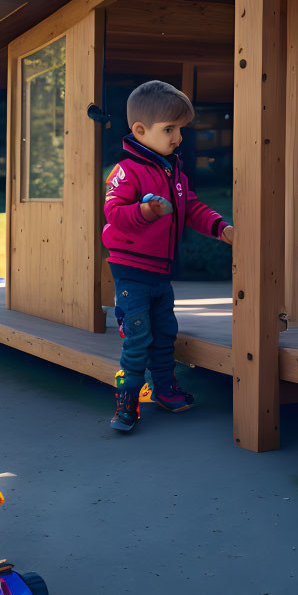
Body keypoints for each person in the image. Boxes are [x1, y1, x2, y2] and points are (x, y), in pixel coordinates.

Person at [103, 80, 234, 432]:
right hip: (131, 271)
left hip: (160, 273)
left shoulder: (173, 171)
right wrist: (145, 213)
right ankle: (127, 401)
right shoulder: (126, 171)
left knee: (165, 334)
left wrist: (221, 228)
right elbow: (114, 213)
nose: (178, 137)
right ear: (140, 130)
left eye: (180, 129)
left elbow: (191, 207)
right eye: (169, 129)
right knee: (137, 338)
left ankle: (165, 389)